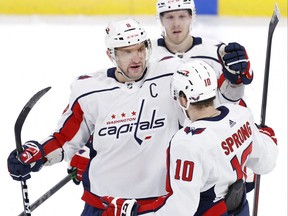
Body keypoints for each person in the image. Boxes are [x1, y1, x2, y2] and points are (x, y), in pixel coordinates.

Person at [7, 18, 185, 215]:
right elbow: (65, 139)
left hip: (158, 205)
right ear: (111, 54)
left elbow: (207, 107)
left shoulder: (170, 74)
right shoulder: (89, 90)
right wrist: (36, 154)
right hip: (102, 204)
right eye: (127, 52)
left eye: (140, 49)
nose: (136, 58)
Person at [105, 60, 278, 216]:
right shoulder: (241, 114)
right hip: (240, 209)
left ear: (183, 98)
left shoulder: (188, 142)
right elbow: (265, 163)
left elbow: (181, 210)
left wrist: (134, 212)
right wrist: (267, 137)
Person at [152, 0, 253, 108]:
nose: (176, 23)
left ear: (191, 17)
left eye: (182, 16)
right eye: (170, 17)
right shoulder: (146, 56)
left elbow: (234, 103)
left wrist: (237, 81)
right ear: (161, 20)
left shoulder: (216, 53)